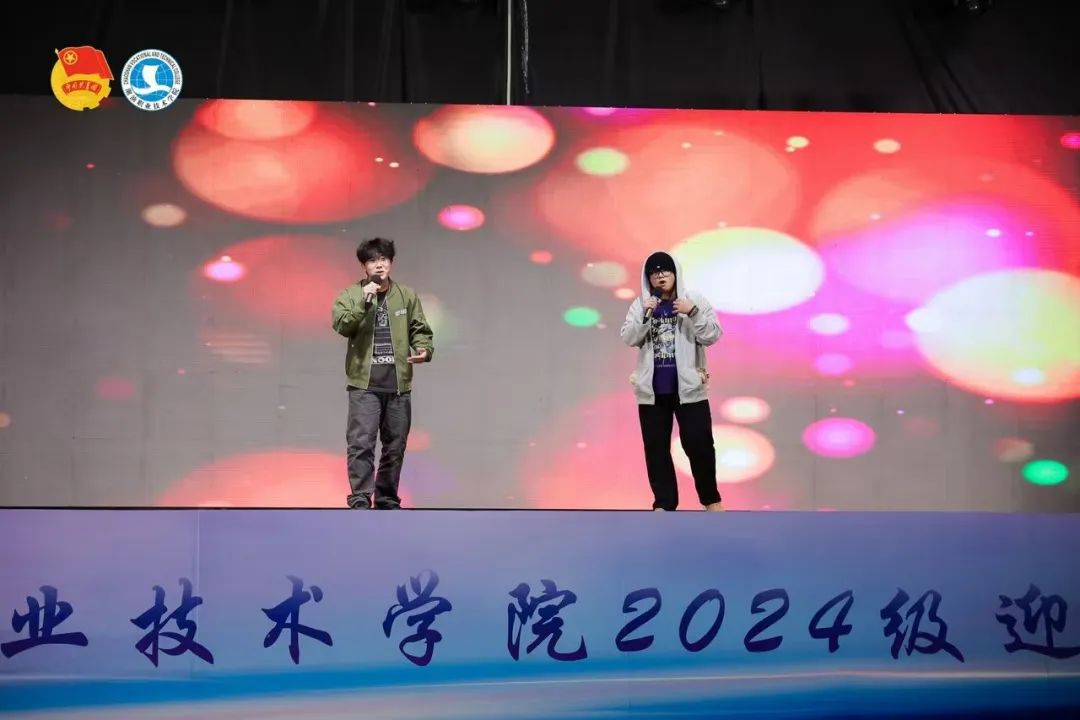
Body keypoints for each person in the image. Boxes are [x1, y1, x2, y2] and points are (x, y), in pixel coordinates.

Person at [331, 237, 434, 509]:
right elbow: (342, 326)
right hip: (364, 384)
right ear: (363, 267)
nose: (379, 265)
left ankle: (387, 498)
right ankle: (360, 498)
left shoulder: (406, 295)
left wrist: (424, 349)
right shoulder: (351, 295)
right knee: (361, 444)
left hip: (398, 384)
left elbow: (419, 328)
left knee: (395, 445)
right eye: (372, 260)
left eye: (384, 259)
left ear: (391, 263)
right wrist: (364, 302)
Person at [620, 250, 725, 512]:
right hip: (652, 392)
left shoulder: (694, 300)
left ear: (675, 273)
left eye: (665, 271)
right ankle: (664, 505)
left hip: (689, 389)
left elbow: (712, 335)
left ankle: (711, 500)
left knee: (699, 444)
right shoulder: (641, 305)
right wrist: (645, 315)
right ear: (648, 278)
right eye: (654, 273)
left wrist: (694, 312)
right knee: (656, 449)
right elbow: (629, 338)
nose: (660, 276)